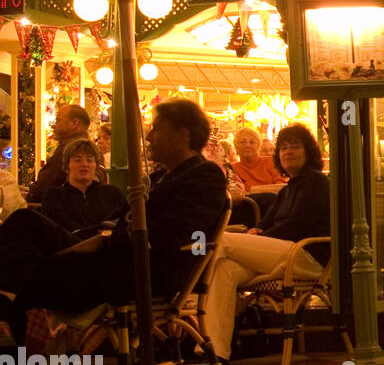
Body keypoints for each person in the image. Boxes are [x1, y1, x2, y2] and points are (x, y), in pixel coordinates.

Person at [0, 98, 228, 330]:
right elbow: (119, 218)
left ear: (182, 135)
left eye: (156, 129)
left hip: (139, 270)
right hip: (113, 255)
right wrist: (81, 237)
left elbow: (175, 233)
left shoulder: (204, 175)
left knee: (32, 265)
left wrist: (103, 241)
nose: (148, 138)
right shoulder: (160, 178)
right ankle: (12, 310)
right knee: (25, 222)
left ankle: (11, 313)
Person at [201, 124, 330, 364]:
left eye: (295, 147)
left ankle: (184, 288)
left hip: (306, 256)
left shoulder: (317, 183)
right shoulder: (287, 189)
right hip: (282, 253)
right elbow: (266, 222)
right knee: (225, 269)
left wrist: (258, 237)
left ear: (309, 152)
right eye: (283, 148)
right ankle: (214, 353)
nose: (288, 152)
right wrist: (257, 230)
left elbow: (298, 225)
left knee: (224, 240)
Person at [38, 139, 126, 236]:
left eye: (89, 160)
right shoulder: (53, 196)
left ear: (95, 166)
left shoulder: (112, 193)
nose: (84, 164)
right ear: (67, 165)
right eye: (78, 160)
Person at [28, 104, 92, 203]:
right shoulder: (93, 151)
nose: (54, 125)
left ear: (74, 124)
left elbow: (41, 190)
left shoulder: (67, 151)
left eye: (58, 120)